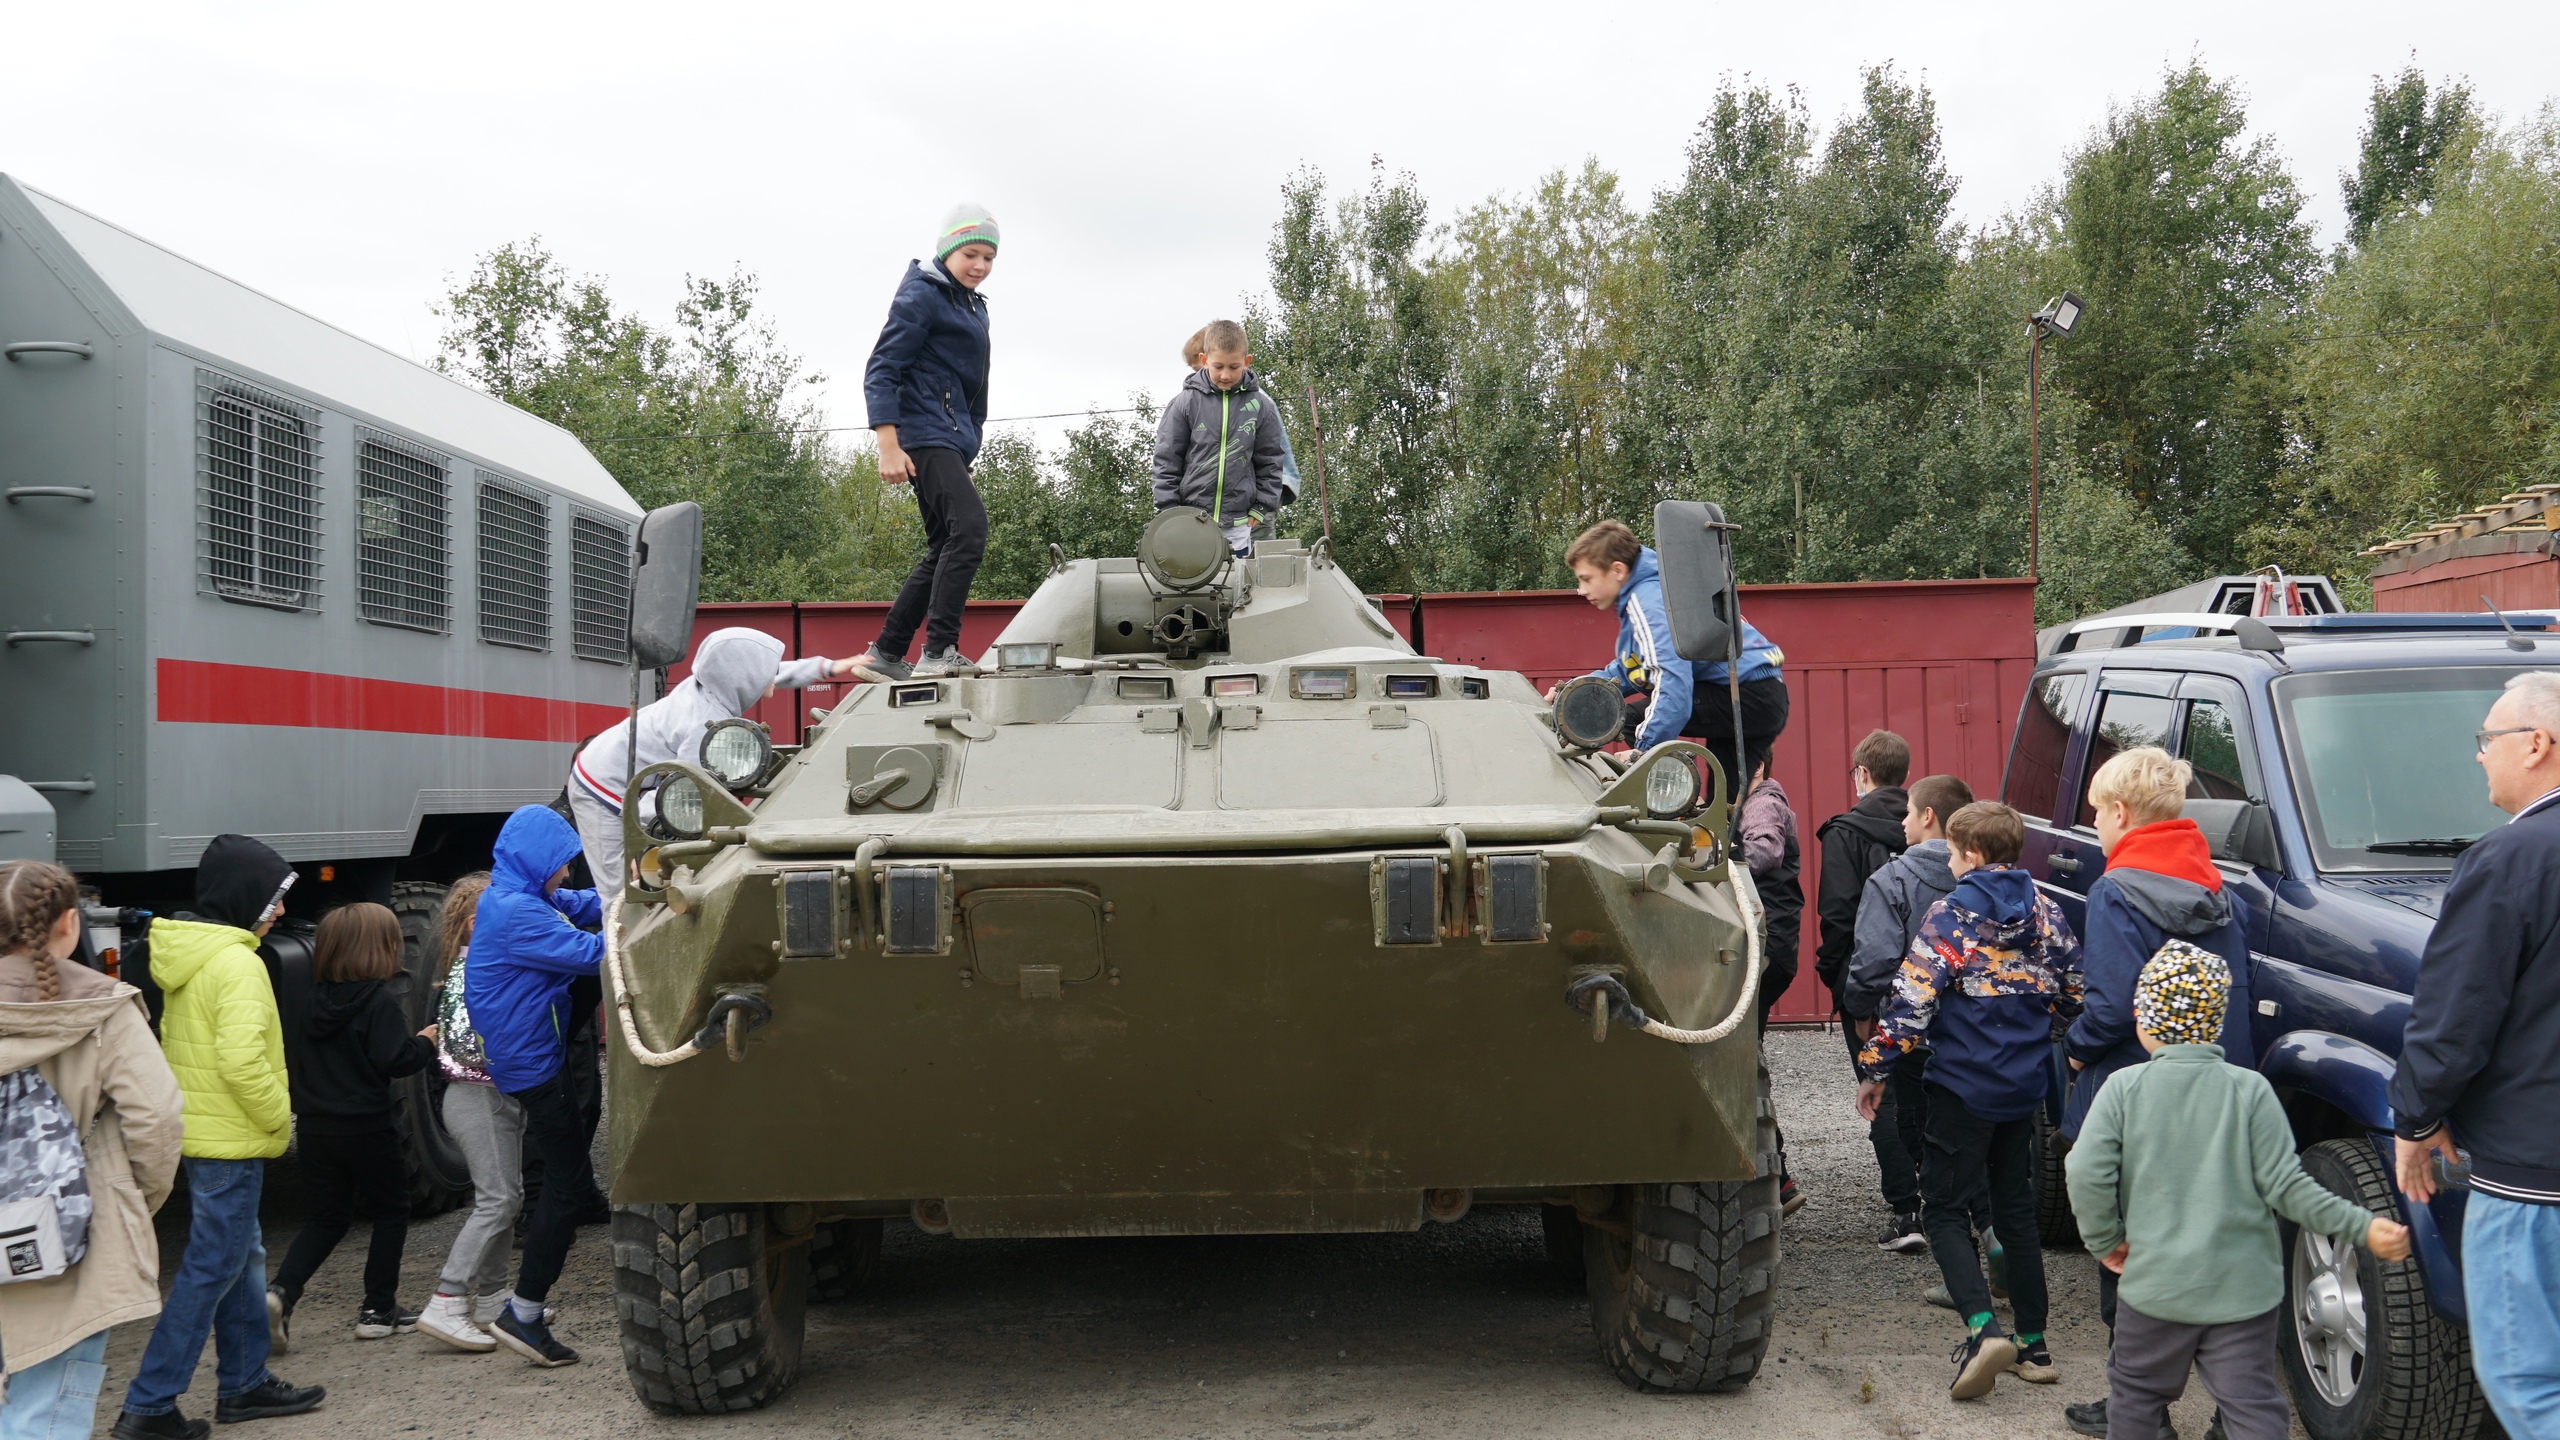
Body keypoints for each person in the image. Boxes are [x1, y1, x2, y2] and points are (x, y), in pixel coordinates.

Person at [2069, 944, 2412, 1440]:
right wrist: (2362, 1225)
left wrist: (2105, 1240)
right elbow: (2290, 1188)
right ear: (2217, 1021)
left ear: (2143, 1017)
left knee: (2137, 1397)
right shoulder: (2251, 1091)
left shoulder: (2124, 1089)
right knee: (2251, 1406)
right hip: (2243, 1293)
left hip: (2157, 1287)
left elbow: (2085, 1171)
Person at [2057, 748, 2256, 1439]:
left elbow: (2113, 1005)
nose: (2095, 829)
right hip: (2216, 1082)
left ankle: (2136, 1407)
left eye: (2094, 816)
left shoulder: (2119, 889)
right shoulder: (2212, 886)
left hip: (2135, 1089)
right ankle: (2235, 1415)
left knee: (2128, 1248)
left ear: (2118, 813)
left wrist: (2076, 1049)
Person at [1856, 802, 2081, 1402]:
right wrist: (2039, 1030)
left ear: (1973, 856)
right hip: (2023, 1088)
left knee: (1945, 1209)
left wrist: (1875, 1067)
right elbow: (2074, 993)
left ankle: (1983, 1330)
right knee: (2015, 1209)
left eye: (1954, 853)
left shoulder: (1951, 916)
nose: (1951, 863)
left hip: (1961, 1087)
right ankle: (2034, 1345)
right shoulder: (2048, 911)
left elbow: (1909, 1003)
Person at [2391, 672, 2560, 1438]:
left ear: (2537, 743)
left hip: (2533, 1180)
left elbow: (2456, 1010)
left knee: (2529, 1381)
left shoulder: (2511, 859)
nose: (2480, 758)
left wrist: (2417, 1114)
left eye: (2487, 741)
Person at [117, 835, 324, 1439]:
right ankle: (150, 1406)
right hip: (233, 1140)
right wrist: (279, 1121)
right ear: (244, 896)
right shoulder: (238, 962)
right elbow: (240, 1063)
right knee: (213, 1268)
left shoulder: (192, 952)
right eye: (274, 898)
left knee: (239, 1259)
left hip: (203, 1136)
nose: (281, 911)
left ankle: (244, 1383)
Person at [0, 861, 183, 1440]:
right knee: (49, 1405)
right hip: (65, 1236)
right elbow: (156, 1119)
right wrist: (131, 1203)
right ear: (70, 924)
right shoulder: (102, 1008)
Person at [467, 806, 605, 1368]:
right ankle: (522, 1314)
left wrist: (634, 893)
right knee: (568, 1189)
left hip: (531, 1058)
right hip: (535, 1069)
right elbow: (597, 955)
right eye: (563, 866)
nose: (568, 876)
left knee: (569, 1182)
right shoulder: (520, 915)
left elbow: (586, 905)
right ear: (537, 863)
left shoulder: (518, 896)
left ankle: (522, 1309)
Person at [569, 627, 860, 890]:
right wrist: (643, 845)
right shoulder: (704, 723)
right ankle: (617, 944)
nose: (772, 674)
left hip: (628, 773)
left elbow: (774, 672)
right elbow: (682, 797)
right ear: (745, 676)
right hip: (601, 788)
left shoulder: (711, 685)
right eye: (764, 670)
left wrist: (830, 667)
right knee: (623, 888)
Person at [265, 904, 437, 1346]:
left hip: (317, 1130)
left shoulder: (310, 1001)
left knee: (327, 1217)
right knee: (391, 1210)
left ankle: (282, 1291)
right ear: (379, 949)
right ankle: (378, 1308)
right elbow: (397, 1060)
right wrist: (426, 1041)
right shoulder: (378, 1002)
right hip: (368, 1128)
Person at [849, 203, 1000, 682]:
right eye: (970, 253)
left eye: (989, 257)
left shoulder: (968, 302)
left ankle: (887, 653)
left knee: (944, 544)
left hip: (946, 438)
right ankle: (939, 651)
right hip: (921, 431)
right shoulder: (923, 294)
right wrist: (887, 444)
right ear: (949, 250)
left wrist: (961, 453)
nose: (979, 265)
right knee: (970, 529)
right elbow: (881, 369)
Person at [1845, 772, 1977, 1257]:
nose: (1900, 822)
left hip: (1912, 1031)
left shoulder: (1892, 879)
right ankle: (1976, 1223)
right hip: (1973, 1033)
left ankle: (1924, 1218)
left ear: (1927, 816)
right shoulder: (1985, 879)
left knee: (1910, 1121)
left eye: (1906, 812)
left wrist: (1861, 1009)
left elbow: (1875, 957)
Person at [1559, 520, 1787, 777]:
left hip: (1743, 694)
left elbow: (1672, 681)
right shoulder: (1655, 591)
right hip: (1760, 695)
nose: (1581, 590)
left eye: (1586, 579)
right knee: (1726, 807)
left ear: (1618, 570)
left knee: (1630, 718)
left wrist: (1644, 752)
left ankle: (1670, 787)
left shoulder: (1647, 601)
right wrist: (1572, 694)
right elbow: (1630, 669)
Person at [1812, 730, 1916, 1243]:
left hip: (1867, 979)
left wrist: (1833, 975)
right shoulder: (1926, 825)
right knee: (1929, 1087)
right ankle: (1948, 1205)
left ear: (1862, 774)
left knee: (1880, 1089)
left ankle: (1907, 1211)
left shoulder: (1844, 833)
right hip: (1930, 978)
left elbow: (1836, 914)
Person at [416, 874, 519, 1353]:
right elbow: (463, 1046)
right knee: (497, 1200)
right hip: (477, 1097)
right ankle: (447, 1298)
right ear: (478, 925)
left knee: (505, 1197)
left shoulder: (479, 967)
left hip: (490, 1097)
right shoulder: (471, 973)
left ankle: (493, 1301)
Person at [1153, 319, 1290, 557]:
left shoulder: (1261, 407)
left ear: (1247, 362)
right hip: (1190, 521)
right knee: (1194, 586)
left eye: (1234, 367)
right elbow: (1166, 459)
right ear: (1204, 360)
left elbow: (1271, 460)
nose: (1225, 375)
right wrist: (1169, 510)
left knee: (1236, 587)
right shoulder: (1183, 404)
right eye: (1218, 366)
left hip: (1238, 524)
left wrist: (1262, 507)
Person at [1736, 755, 1806, 1216]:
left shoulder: (1760, 804)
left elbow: (1764, 851)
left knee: (1740, 1063)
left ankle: (1776, 1181)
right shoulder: (1755, 801)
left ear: (1756, 765)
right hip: (1776, 945)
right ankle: (1774, 1179)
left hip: (1768, 945)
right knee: (1745, 1057)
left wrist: (1719, 853)